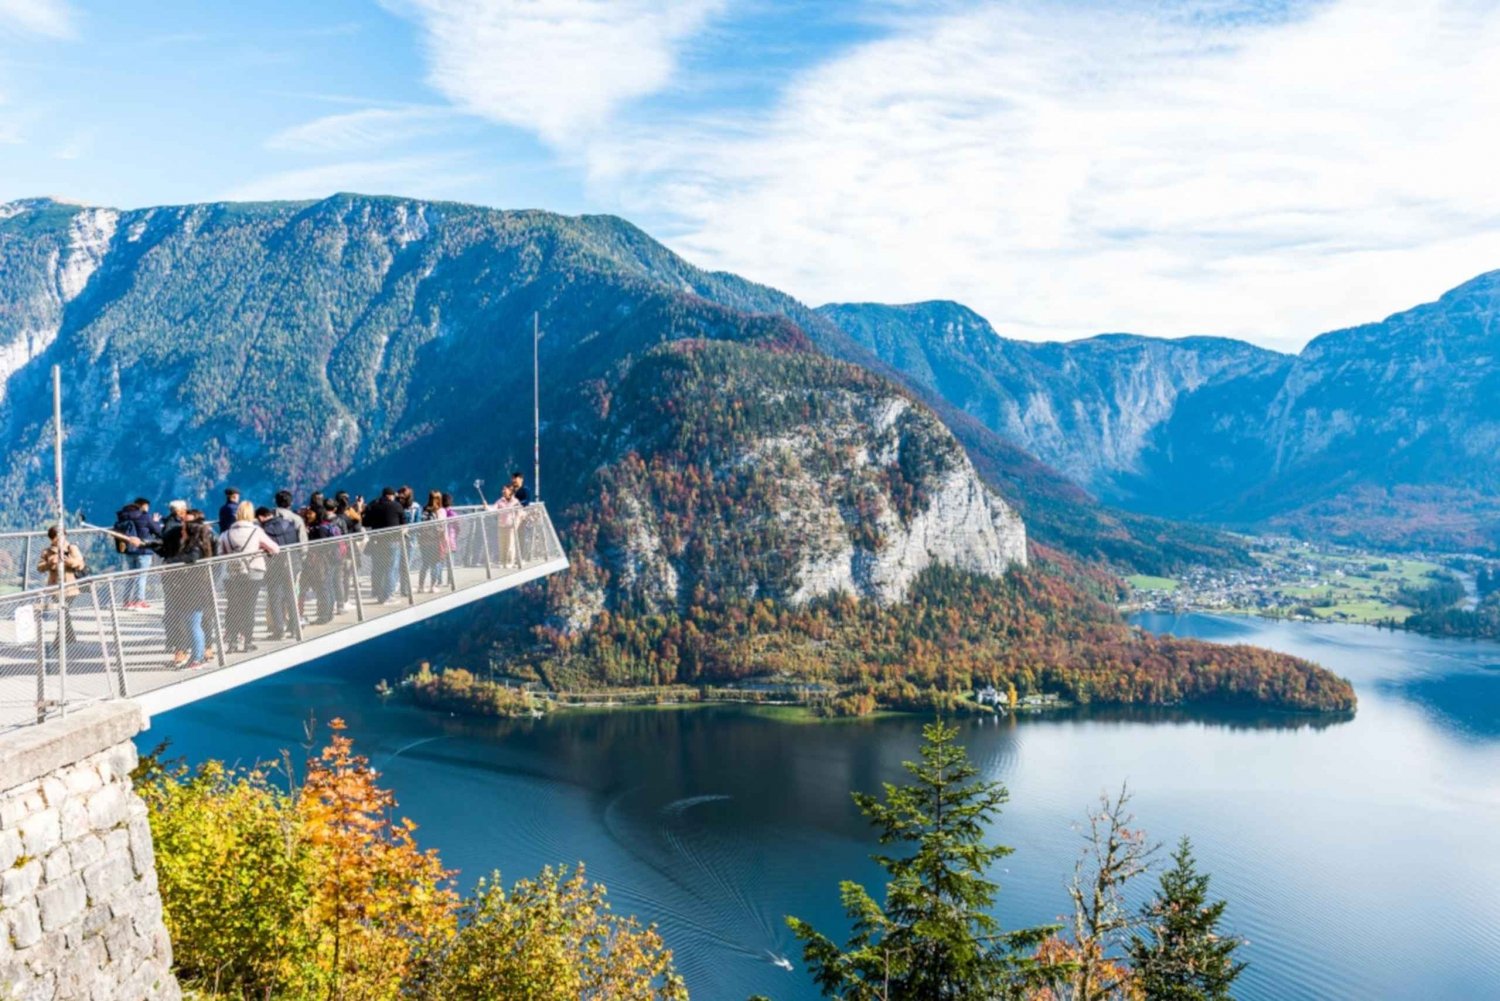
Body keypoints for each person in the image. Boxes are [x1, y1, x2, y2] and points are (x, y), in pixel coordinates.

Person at [217, 500, 280, 654]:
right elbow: (275, 549)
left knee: (232, 607)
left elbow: (219, 554)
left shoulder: (226, 534)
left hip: (232, 574)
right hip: (254, 573)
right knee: (249, 607)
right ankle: (247, 642)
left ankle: (231, 642)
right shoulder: (256, 531)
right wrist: (260, 550)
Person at [162, 511, 215, 669]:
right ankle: (195, 656)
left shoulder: (195, 548)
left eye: (185, 527)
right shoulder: (200, 544)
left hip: (194, 591)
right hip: (189, 590)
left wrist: (170, 562)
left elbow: (190, 558)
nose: (182, 529)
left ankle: (197, 658)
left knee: (194, 624)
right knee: (191, 623)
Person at [257, 505, 301, 641]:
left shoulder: (264, 530)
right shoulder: (290, 524)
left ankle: (279, 630)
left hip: (274, 566)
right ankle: (295, 628)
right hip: (292, 563)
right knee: (291, 596)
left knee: (275, 598)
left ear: (260, 517)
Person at [36, 526, 85, 644]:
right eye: (55, 537)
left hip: (70, 586)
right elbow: (39, 567)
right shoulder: (47, 552)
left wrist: (67, 560)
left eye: (61, 536)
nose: (58, 539)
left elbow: (80, 564)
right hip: (55, 587)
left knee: (62, 611)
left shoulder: (71, 548)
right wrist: (49, 562)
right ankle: (68, 637)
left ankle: (61, 639)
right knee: (63, 611)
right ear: (51, 539)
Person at [113, 499, 161, 609]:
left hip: (129, 551)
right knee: (142, 577)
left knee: (131, 576)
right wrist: (155, 522)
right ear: (142, 506)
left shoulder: (122, 518)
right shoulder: (144, 517)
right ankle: (139, 601)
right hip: (143, 551)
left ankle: (127, 601)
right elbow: (158, 531)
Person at [362, 487, 405, 603]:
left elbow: (365, 522)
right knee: (391, 568)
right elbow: (403, 523)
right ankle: (388, 595)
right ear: (390, 496)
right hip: (393, 541)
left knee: (378, 568)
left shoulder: (374, 506)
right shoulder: (397, 506)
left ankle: (377, 592)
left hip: (377, 541)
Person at [307, 505, 345, 624]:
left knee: (323, 587)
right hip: (334, 559)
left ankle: (324, 616)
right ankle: (329, 614)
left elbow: (321, 545)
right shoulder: (331, 525)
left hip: (323, 561)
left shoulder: (320, 529)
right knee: (330, 586)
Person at [417, 490, 447, 592]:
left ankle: (421, 587)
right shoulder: (441, 511)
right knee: (435, 564)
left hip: (424, 541)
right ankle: (432, 586)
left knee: (425, 564)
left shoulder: (424, 509)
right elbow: (442, 527)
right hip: (435, 541)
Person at [493, 483, 521, 568]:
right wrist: (486, 506)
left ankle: (510, 562)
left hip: (510, 526)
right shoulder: (500, 501)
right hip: (501, 526)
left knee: (510, 545)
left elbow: (519, 513)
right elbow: (493, 509)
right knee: (502, 545)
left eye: (505, 489)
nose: (503, 491)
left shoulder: (515, 502)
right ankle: (502, 562)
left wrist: (516, 523)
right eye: (503, 489)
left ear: (510, 491)